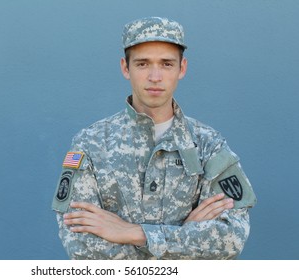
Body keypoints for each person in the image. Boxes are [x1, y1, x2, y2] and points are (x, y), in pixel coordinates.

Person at [52, 16, 257, 260]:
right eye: (142, 64)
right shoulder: (91, 144)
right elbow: (81, 245)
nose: (155, 76)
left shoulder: (208, 145)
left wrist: (134, 233)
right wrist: (184, 234)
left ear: (182, 68)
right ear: (125, 68)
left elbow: (230, 238)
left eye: (167, 64)